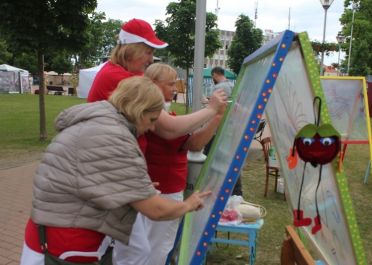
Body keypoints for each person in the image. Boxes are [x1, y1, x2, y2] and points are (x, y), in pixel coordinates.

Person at [20, 76, 211, 265]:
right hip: (68, 243)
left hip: (50, 232)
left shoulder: (98, 123)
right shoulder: (115, 137)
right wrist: (189, 204)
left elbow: (87, 176)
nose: (153, 127)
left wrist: (131, 187)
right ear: (138, 111)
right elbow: (156, 210)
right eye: (152, 119)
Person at [113, 63, 225, 265]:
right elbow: (193, 142)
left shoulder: (160, 114)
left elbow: (188, 139)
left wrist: (215, 117)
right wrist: (214, 113)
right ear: (153, 85)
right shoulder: (158, 116)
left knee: (147, 247)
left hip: (158, 188)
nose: (175, 88)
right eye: (171, 84)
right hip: (162, 190)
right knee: (155, 249)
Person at [87, 18, 227, 143]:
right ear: (130, 51)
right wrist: (212, 109)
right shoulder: (121, 78)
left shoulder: (117, 72)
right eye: (148, 52)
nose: (151, 60)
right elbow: (169, 129)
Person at [203, 66, 243, 196]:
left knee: (213, 158)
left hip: (220, 129)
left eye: (212, 76)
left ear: (215, 74)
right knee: (226, 159)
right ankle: (234, 192)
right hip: (229, 128)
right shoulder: (231, 85)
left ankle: (233, 192)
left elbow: (219, 107)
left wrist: (208, 104)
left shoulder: (220, 87)